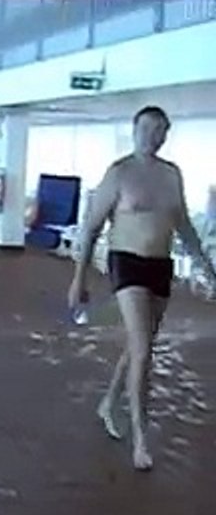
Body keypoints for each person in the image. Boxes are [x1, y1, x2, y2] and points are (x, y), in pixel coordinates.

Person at [68, 105, 216, 471]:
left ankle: (108, 403)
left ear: (166, 134)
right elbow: (90, 228)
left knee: (140, 347)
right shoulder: (119, 173)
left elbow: (184, 226)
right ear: (135, 130)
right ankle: (141, 439)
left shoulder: (172, 175)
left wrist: (208, 270)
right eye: (147, 128)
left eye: (160, 130)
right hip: (126, 263)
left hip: (160, 266)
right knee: (144, 351)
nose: (153, 136)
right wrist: (79, 279)